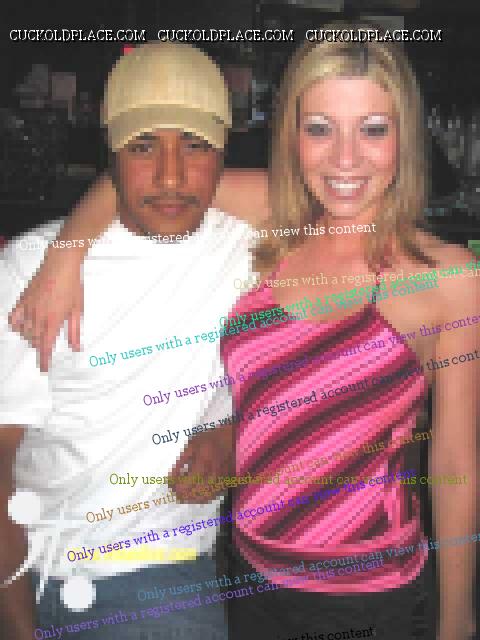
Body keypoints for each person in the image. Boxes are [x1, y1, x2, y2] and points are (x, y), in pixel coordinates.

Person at [7, 21, 478, 640]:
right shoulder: (273, 217)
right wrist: (63, 257)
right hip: (248, 575)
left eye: (372, 129)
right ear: (291, 134)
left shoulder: (449, 278)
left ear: (405, 137)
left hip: (369, 595)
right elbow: (139, 178)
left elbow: (457, 461)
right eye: (320, 128)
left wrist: (457, 619)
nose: (345, 158)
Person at [0, 41, 254, 640]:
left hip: (156, 573)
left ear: (225, 151)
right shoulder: (30, 270)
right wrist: (17, 621)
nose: (170, 175)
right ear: (109, 150)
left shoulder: (253, 246)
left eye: (194, 145)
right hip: (29, 564)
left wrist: (229, 432)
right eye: (142, 146)